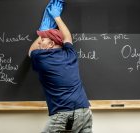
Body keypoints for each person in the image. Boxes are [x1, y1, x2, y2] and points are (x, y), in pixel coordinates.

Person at [28, 0, 93, 133]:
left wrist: (44, 28)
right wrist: (57, 17)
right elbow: (68, 38)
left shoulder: (43, 58)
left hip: (64, 116)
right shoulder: (70, 53)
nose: (39, 42)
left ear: (51, 44)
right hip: (85, 112)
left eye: (42, 39)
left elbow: (31, 51)